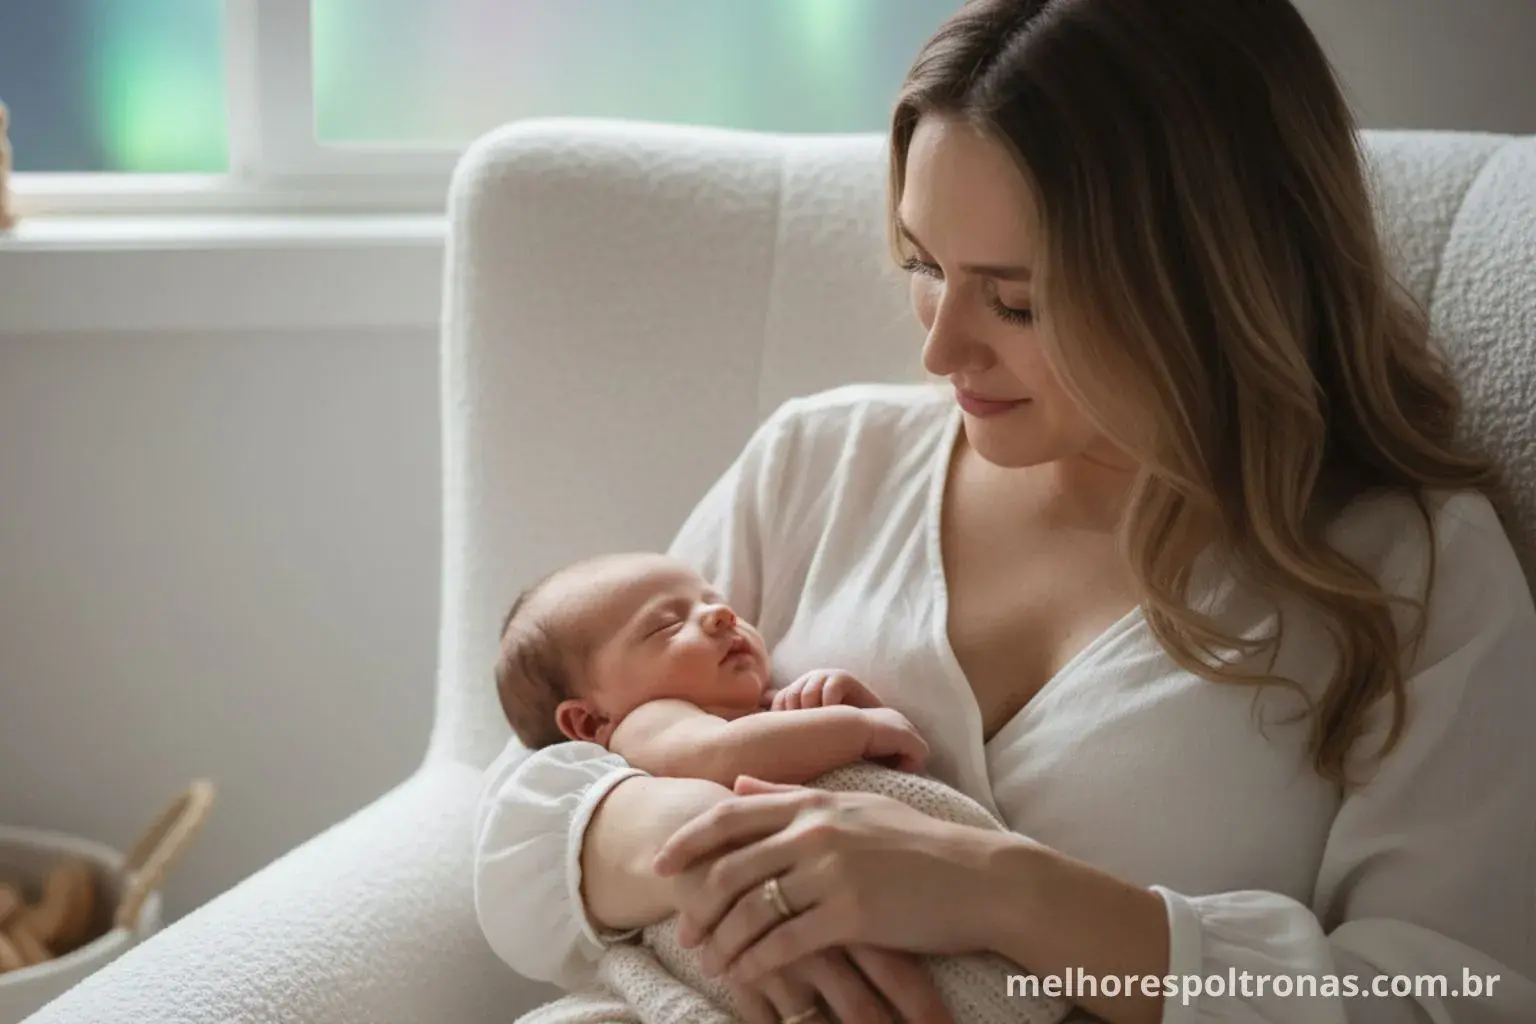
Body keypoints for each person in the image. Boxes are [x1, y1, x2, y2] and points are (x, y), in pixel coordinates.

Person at [474, 1, 1536, 1022]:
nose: (941, 352)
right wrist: (721, 833)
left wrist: (1007, 893)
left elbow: (1455, 996)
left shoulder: (1412, 573)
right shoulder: (821, 461)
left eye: (1017, 300)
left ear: (1214, 279)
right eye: (925, 266)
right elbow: (528, 806)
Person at [493, 550, 930, 784]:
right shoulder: (642, 726)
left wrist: (823, 703)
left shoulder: (753, 707)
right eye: (666, 625)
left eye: (713, 600)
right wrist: (858, 729)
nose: (720, 615)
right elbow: (725, 754)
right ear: (589, 722)